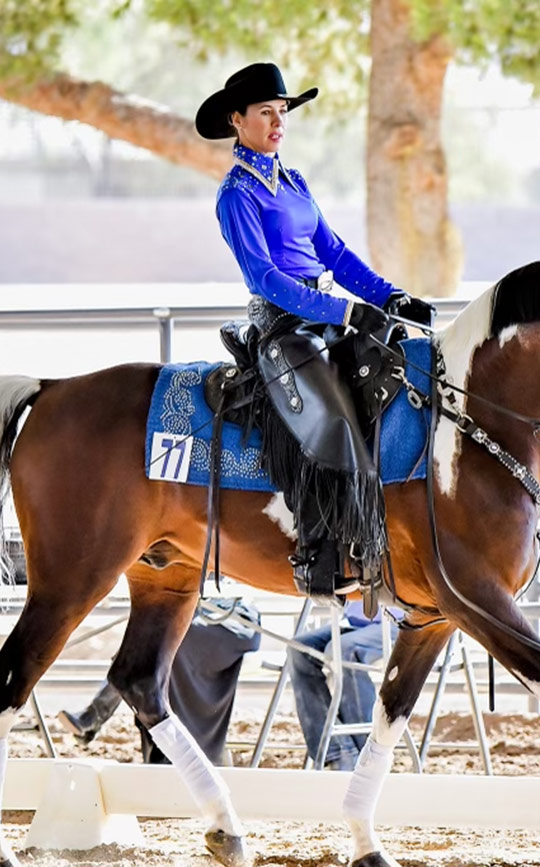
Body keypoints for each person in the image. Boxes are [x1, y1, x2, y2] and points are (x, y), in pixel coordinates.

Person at [195, 62, 435, 598]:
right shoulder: (236, 196)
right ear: (237, 120)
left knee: (394, 378)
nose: (278, 123)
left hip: (323, 316)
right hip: (283, 326)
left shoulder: (293, 181)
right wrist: (346, 313)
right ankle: (321, 555)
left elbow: (334, 252)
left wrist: (387, 295)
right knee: (335, 425)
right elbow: (267, 278)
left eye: (282, 113)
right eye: (266, 113)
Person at [59, 599, 261, 765]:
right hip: (201, 610)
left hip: (234, 616)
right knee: (157, 635)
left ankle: (95, 715)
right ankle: (96, 716)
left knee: (159, 637)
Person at [287, 599, 398, 770]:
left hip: (399, 622)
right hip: (355, 623)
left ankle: (367, 755)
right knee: (298, 648)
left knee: (344, 650)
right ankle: (339, 751)